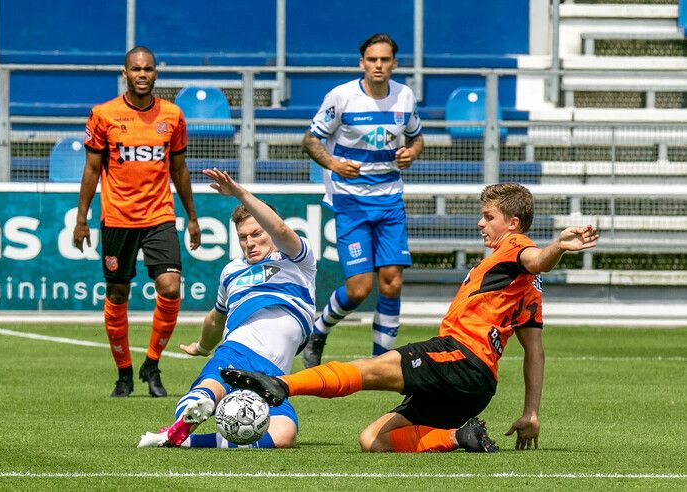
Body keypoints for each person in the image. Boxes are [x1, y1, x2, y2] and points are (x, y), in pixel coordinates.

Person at [222, 183, 599, 453]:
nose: (481, 224)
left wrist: (558, 248)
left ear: (513, 223)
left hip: (460, 356)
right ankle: (459, 437)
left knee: (370, 369)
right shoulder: (529, 285)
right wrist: (530, 413)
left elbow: (536, 258)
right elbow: (535, 351)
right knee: (373, 440)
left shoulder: (517, 248)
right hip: (477, 385)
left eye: (489, 217)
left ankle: (281, 385)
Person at [137, 167, 316, 449]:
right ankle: (200, 403)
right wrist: (202, 346)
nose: (250, 242)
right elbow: (216, 317)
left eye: (256, 233)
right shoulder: (232, 271)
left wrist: (239, 193)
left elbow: (280, 229)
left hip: (273, 376)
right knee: (208, 390)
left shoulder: (297, 259)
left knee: (284, 435)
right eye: (243, 237)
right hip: (238, 349)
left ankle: (184, 440)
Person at [73, 46, 201, 398]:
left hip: (159, 215)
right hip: (117, 218)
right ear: (125, 73)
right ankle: (124, 373)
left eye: (148, 69)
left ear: (156, 73)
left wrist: (191, 217)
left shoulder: (172, 115)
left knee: (171, 288)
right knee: (117, 292)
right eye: (136, 69)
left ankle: (153, 364)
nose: (142, 74)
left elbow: (178, 169)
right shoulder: (104, 114)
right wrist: (81, 219)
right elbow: (92, 169)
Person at [301, 33, 424, 368]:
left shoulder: (405, 96)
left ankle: (382, 363)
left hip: (390, 201)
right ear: (362, 63)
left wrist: (410, 153)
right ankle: (319, 330)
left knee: (392, 283)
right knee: (358, 289)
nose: (378, 65)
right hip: (351, 203)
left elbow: (416, 138)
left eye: (385, 60)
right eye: (372, 60)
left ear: (394, 64)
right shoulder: (342, 97)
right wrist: (334, 163)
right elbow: (311, 140)